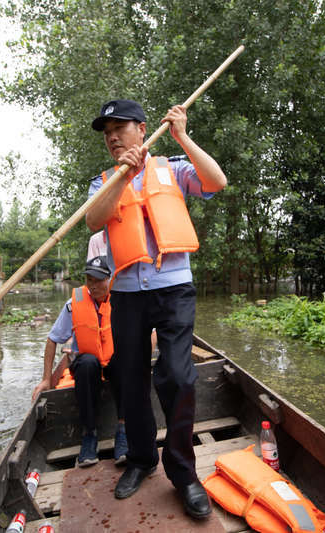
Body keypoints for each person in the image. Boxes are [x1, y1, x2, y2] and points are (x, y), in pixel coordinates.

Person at [85, 99, 227, 518]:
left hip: (173, 289)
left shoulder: (176, 168)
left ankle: (184, 474)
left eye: (120, 127)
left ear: (142, 129)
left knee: (179, 377)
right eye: (106, 131)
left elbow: (216, 181)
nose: (112, 136)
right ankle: (143, 459)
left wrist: (183, 134)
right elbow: (95, 219)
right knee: (127, 379)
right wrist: (125, 174)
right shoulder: (104, 180)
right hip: (127, 294)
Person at [31, 255, 127, 467]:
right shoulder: (73, 304)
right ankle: (89, 435)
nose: (93, 286)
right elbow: (52, 339)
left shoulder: (122, 300)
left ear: (110, 280)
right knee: (86, 364)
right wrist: (46, 379)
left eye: (99, 280)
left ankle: (123, 430)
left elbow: (150, 332)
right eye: (89, 280)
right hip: (87, 364)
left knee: (126, 361)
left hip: (113, 363)